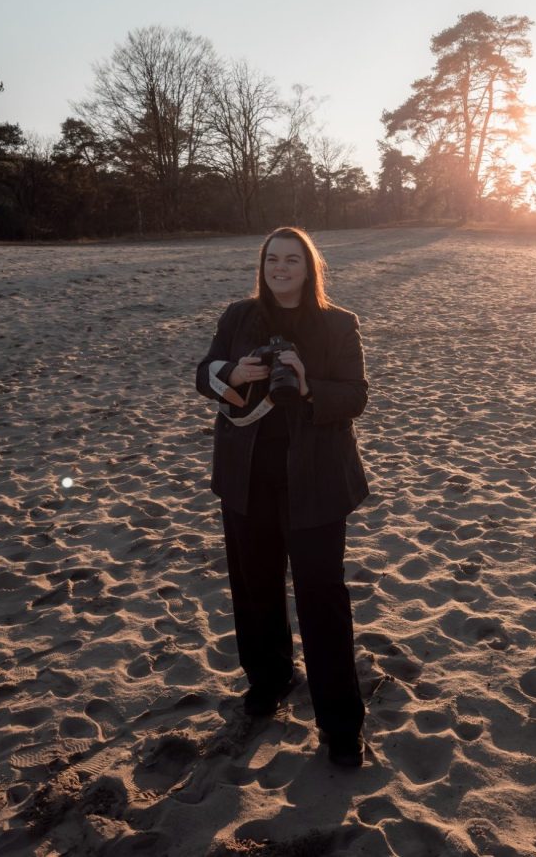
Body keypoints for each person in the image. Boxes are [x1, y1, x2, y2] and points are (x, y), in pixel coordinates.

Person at [195, 226, 369, 767]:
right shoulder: (238, 317)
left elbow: (356, 397)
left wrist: (309, 384)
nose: (281, 268)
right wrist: (233, 372)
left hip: (315, 483)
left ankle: (340, 726)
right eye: (273, 259)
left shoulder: (338, 324)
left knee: (322, 600)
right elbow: (204, 375)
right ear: (262, 264)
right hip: (247, 479)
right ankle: (268, 682)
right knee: (255, 588)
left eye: (293, 260)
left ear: (309, 267)